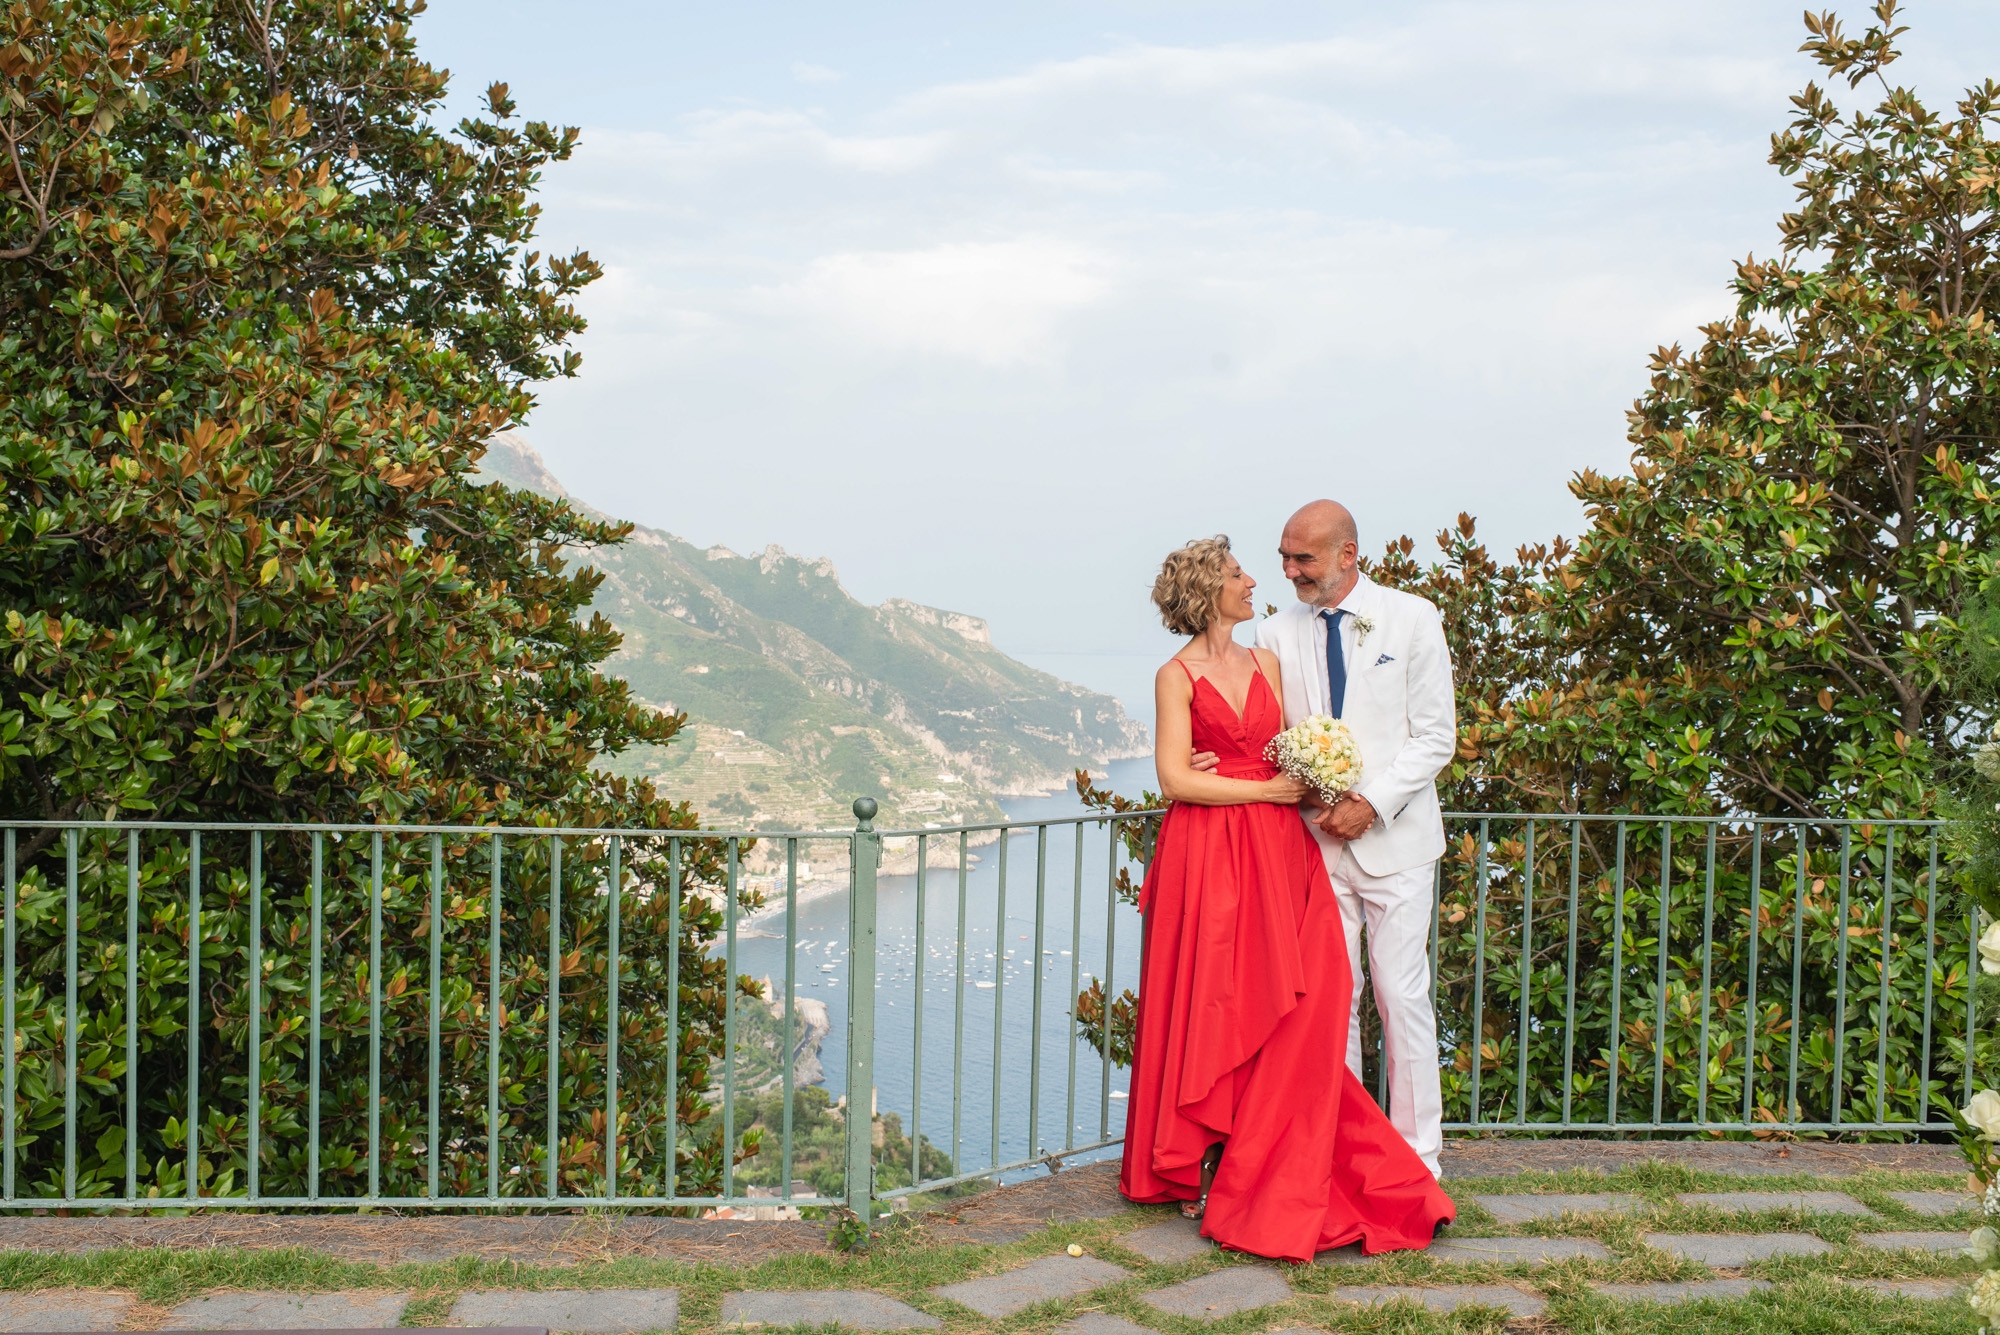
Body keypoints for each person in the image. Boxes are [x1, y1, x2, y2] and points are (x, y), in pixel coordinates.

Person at [1119, 535, 1453, 1263]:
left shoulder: (1270, 654)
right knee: (1218, 997)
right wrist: (1237, 775)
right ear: (1211, 590)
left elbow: (1306, 738)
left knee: (1322, 996)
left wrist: (1304, 783)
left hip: (1283, 849)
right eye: (1242, 571)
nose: (1260, 579)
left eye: (1288, 561)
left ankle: (1363, 1155)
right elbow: (1178, 777)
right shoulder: (1181, 671)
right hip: (1212, 853)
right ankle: (1211, 1152)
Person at [1247, 499, 1455, 1178]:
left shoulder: (1412, 617)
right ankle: (1335, 1147)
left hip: (1396, 844)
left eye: (1302, 557)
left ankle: (1418, 1157)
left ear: (1347, 555)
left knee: (1401, 995)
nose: (1288, 571)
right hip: (1315, 846)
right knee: (1332, 1005)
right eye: (1284, 555)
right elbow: (1269, 731)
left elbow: (1435, 737)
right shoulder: (1275, 632)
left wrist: (1371, 802)